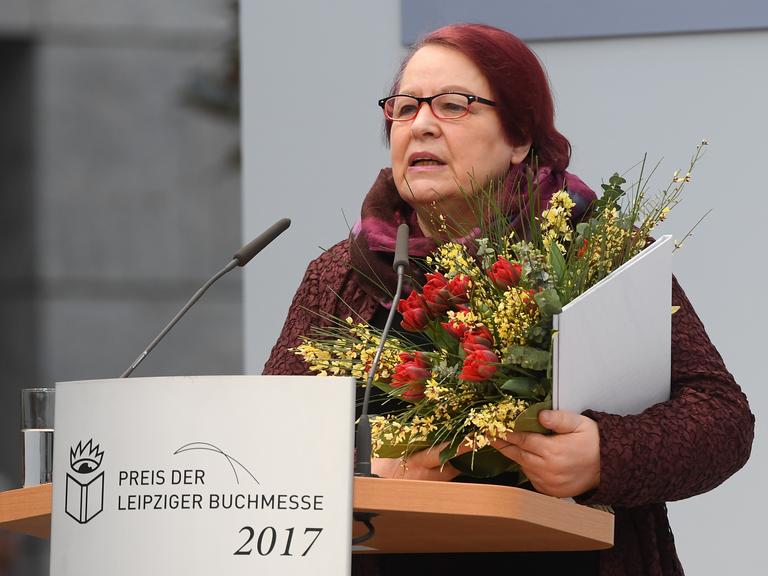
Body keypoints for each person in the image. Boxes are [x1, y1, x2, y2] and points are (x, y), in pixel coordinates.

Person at [263, 23, 754, 576]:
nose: (420, 124)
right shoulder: (343, 273)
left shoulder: (598, 253)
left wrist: (604, 454)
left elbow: (722, 420)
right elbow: (270, 444)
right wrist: (370, 467)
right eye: (404, 108)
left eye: (453, 105)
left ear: (519, 138)